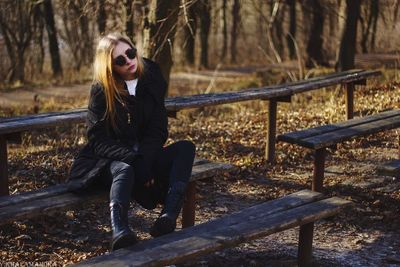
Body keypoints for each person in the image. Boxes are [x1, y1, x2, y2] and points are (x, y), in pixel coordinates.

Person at [68, 32, 196, 251]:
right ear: (110, 66)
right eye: (120, 60)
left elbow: (157, 129)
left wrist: (144, 161)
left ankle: (168, 215)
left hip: (143, 154)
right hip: (109, 159)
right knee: (125, 169)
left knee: (185, 148)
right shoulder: (102, 90)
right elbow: (97, 139)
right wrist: (135, 160)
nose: (129, 61)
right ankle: (120, 231)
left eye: (130, 53)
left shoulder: (152, 75)